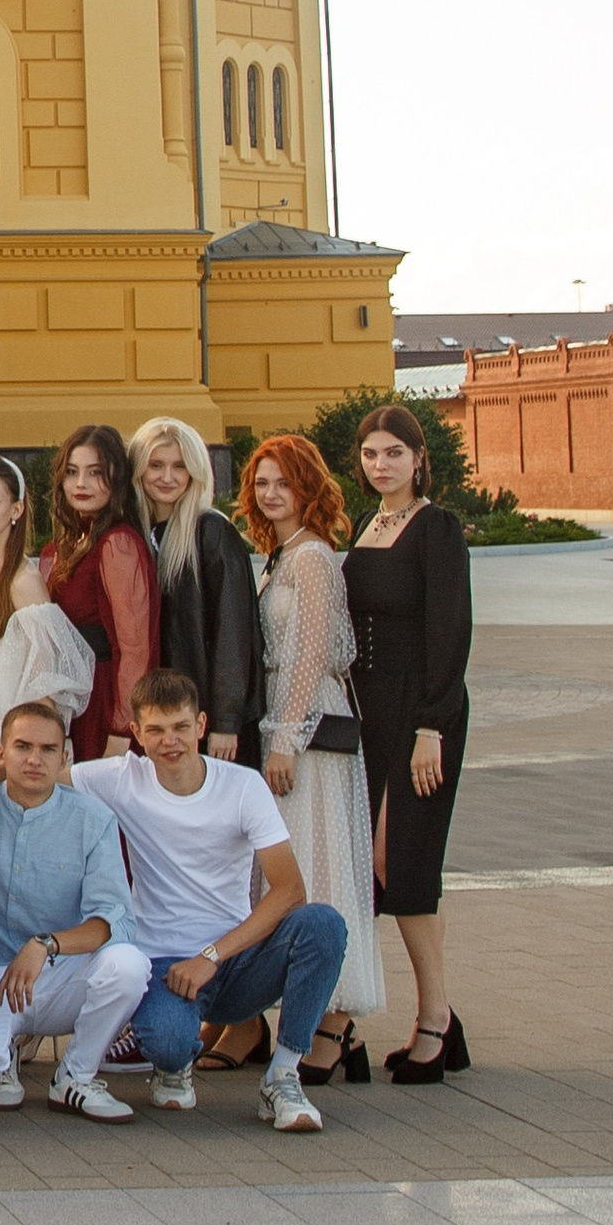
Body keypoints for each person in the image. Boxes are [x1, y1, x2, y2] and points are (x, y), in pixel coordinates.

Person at [0, 669, 348, 1133]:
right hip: (161, 964)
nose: (170, 741)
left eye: (181, 727)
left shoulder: (242, 786)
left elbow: (289, 890)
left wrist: (211, 955)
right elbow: (34, 768)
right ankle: (175, 1060)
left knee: (322, 923)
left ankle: (283, 1076)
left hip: (233, 959)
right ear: (137, 734)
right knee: (164, 1040)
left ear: (201, 725)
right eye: (156, 730)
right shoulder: (120, 778)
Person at [240, 434, 380, 1081]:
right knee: (289, 866)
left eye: (284, 482)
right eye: (262, 482)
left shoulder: (315, 558)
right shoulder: (279, 554)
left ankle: (333, 1020)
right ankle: (301, 1011)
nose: (272, 493)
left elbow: (309, 651)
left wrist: (285, 739)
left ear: (309, 488)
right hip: (283, 720)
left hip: (308, 730)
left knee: (316, 863)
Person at [0, 703, 147, 1123]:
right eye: (22, 746)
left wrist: (46, 944)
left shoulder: (93, 820)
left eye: (48, 749)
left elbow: (115, 920)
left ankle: (75, 1076)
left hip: (58, 972)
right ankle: (2, 1059)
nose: (34, 759)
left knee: (129, 966)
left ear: (65, 756)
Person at [346, 404, 472, 1083]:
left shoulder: (437, 528)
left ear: (420, 459)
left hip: (423, 714)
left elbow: (451, 633)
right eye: (371, 454)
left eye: (395, 452)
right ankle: (430, 1014)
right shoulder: (366, 524)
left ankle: (435, 1021)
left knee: (402, 862)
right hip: (368, 715)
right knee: (379, 866)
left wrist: (430, 727)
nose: (382, 464)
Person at [0, 452, 92, 782]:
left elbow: (45, 675)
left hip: (2, 716)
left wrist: (30, 745)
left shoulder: (23, 582)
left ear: (16, 509)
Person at [132, 417, 262, 766]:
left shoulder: (212, 532)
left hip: (205, 721)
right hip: (158, 717)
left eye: (179, 466)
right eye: (156, 465)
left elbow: (233, 632)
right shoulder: (137, 537)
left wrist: (225, 721)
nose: (167, 477)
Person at [43, 424, 159, 761]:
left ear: (116, 479)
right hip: (74, 697)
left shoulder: (117, 542)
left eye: (96, 473)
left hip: (106, 700)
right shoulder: (71, 542)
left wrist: (122, 728)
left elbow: (135, 646)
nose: (81, 484)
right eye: (72, 472)